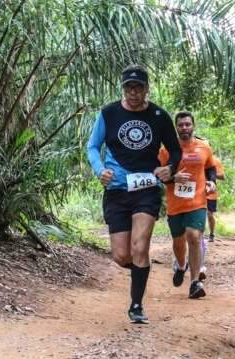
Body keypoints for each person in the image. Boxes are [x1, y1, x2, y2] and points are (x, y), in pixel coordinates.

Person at [87, 64, 181, 323]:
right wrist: (99, 169)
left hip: (147, 189)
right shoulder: (109, 113)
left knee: (140, 247)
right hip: (116, 189)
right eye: (128, 87)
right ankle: (141, 269)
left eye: (138, 87)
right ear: (123, 88)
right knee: (121, 256)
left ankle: (136, 305)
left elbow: (175, 150)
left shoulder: (160, 116)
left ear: (146, 89)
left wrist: (170, 168)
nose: (133, 92)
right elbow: (93, 146)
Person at [158, 111, 216, 299]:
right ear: (176, 127)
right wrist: (173, 177)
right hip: (175, 204)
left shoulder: (204, 147)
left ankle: (195, 283)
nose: (184, 128)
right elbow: (159, 174)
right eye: (181, 125)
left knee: (193, 236)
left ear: (193, 126)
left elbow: (210, 167)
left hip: (198, 201)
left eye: (187, 124)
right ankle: (181, 265)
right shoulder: (167, 150)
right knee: (178, 242)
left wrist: (212, 181)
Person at [205, 156, 225, 242]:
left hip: (210, 192)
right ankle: (197, 235)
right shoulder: (194, 158)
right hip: (197, 192)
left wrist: (211, 174)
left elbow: (222, 176)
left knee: (210, 214)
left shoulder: (215, 160)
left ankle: (211, 234)